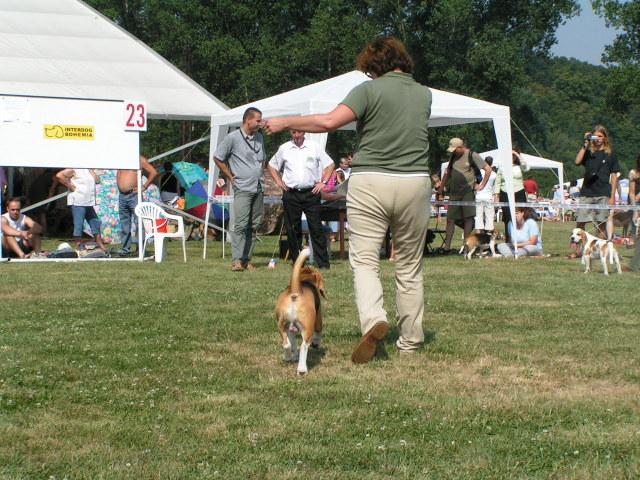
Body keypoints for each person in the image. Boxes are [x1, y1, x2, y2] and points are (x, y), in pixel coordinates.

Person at [263, 36, 432, 361]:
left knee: (366, 260)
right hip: (415, 181)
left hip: (371, 181)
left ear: (374, 65)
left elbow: (328, 122)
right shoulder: (424, 94)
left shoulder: (368, 90)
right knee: (410, 265)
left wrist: (287, 121)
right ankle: (410, 341)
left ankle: (374, 319)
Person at [267, 129, 334, 268]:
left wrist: (324, 182)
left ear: (304, 133)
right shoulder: (284, 148)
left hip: (311, 192)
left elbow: (330, 164)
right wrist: (279, 182)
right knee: (292, 229)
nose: (296, 136)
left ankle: (323, 263)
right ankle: (297, 262)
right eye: (293, 133)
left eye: (299, 133)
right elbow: (271, 165)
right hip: (291, 193)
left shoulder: (314, 146)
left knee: (316, 228)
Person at [214, 107, 266, 271]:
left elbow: (262, 158)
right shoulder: (232, 138)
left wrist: (260, 173)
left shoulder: (259, 138)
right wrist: (229, 175)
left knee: (254, 224)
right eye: (258, 120)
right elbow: (218, 157)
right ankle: (236, 260)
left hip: (258, 186)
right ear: (248, 120)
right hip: (242, 186)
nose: (260, 123)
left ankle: (246, 259)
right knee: (241, 224)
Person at [569, 125, 619, 258]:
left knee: (601, 224)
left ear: (605, 138)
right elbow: (577, 161)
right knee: (580, 222)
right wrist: (585, 144)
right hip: (587, 192)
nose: (597, 139)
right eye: (595, 136)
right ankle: (579, 251)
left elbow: (614, 176)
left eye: (600, 136)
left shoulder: (610, 154)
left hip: (603, 192)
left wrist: (612, 196)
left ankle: (599, 252)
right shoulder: (589, 152)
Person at [437, 137, 492, 252]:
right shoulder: (453, 156)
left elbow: (488, 169)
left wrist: (481, 185)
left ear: (460, 147)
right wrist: (440, 190)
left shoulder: (472, 155)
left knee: (468, 219)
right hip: (454, 193)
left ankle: (465, 246)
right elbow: (447, 173)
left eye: (454, 149)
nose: (452, 152)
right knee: (450, 219)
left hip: (468, 193)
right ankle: (447, 247)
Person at [116, 155, 158, 255]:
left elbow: (154, 172)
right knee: (124, 223)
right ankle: (126, 249)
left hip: (134, 195)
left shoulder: (139, 160)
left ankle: (141, 249)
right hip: (122, 195)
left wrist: (144, 186)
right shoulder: (122, 159)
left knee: (139, 222)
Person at [55, 168, 105, 250]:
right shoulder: (75, 168)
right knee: (79, 224)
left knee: (95, 222)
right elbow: (59, 175)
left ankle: (100, 244)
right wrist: (70, 186)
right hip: (78, 201)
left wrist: (93, 172)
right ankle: (79, 246)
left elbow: (97, 181)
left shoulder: (89, 170)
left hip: (89, 202)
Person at [494, 149, 528, 243]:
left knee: (520, 217)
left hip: (519, 192)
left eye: (513, 155)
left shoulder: (519, 166)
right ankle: (509, 241)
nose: (511, 157)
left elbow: (527, 167)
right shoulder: (502, 167)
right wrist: (496, 195)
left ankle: (521, 240)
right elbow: (497, 182)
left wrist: (517, 154)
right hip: (505, 193)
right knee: (508, 218)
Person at [474, 156, 497, 233]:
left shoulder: (478, 172)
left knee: (478, 216)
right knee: (489, 217)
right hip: (488, 196)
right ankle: (489, 236)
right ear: (492, 163)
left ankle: (478, 234)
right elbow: (494, 186)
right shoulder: (494, 174)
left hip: (479, 196)